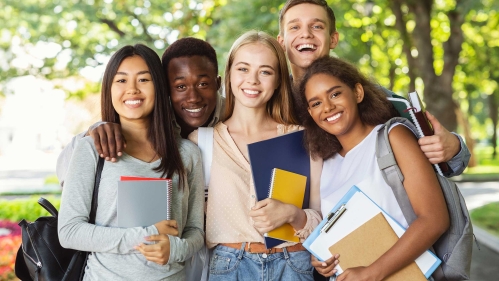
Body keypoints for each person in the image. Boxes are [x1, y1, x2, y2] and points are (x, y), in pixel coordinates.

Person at [57, 44, 205, 280]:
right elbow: (69, 231)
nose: (132, 90)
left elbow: (196, 230)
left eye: (144, 80)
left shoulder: (188, 153)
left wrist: (176, 248)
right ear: (109, 88)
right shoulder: (91, 149)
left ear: (159, 86)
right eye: (121, 80)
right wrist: (147, 235)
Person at [276, 0, 470, 177]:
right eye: (294, 27)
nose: (306, 33)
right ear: (282, 42)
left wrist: (453, 148)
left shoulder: (380, 100)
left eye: (317, 26)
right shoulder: (270, 104)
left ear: (333, 39)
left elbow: (444, 164)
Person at [188, 30, 322, 280]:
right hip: (229, 267)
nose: (253, 80)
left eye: (265, 71)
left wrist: (293, 214)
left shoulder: (303, 138)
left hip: (293, 265)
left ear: (279, 80)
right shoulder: (201, 142)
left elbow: (325, 216)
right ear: (228, 74)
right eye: (243, 69)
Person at [299, 56, 449, 280]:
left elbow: (434, 219)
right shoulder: (327, 163)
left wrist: (372, 273)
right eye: (316, 103)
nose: (328, 107)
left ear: (358, 93)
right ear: (311, 113)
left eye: (335, 94)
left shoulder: (392, 136)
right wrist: (322, 258)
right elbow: (336, 229)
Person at [56, 38, 224, 187]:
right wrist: (94, 132)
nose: (193, 98)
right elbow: (65, 175)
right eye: (180, 87)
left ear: (218, 84)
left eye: (203, 84)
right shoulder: (146, 121)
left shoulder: (234, 116)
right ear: (165, 88)